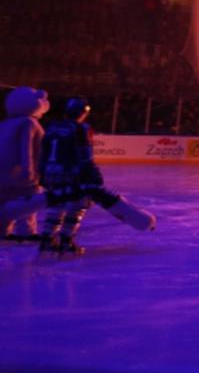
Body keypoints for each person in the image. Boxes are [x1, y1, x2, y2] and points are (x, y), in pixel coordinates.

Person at [39, 97, 155, 255]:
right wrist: (93, 175)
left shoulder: (51, 127)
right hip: (73, 174)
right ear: (82, 112)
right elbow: (84, 155)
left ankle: (47, 239)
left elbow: (42, 152)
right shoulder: (81, 128)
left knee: (56, 204)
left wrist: (42, 172)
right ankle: (66, 241)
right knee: (77, 205)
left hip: (51, 172)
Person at [0, 87, 49, 242]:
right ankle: (26, 232)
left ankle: (3, 230)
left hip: (4, 173)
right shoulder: (29, 123)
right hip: (24, 174)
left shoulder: (6, 123)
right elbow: (27, 148)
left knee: (5, 202)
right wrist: (28, 170)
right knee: (27, 203)